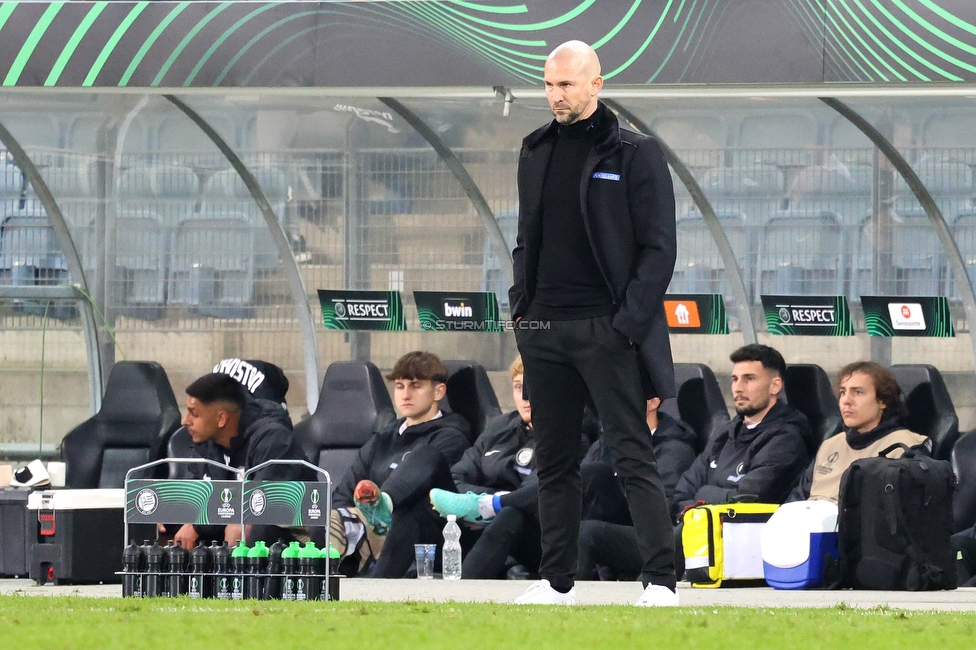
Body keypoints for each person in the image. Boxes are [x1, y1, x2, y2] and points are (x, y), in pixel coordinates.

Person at [509, 40, 679, 606]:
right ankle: (556, 582)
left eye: (566, 85)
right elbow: (525, 241)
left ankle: (661, 580)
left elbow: (659, 251)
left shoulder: (635, 152)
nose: (555, 95)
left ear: (596, 85)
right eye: (549, 84)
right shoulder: (534, 150)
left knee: (630, 454)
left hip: (607, 330)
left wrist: (624, 325)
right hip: (544, 330)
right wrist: (521, 308)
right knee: (555, 464)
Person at [577, 344, 811, 581]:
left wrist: (703, 495)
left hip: (734, 542)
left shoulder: (787, 438)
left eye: (749, 379)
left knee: (654, 556)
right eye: (734, 379)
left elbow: (749, 497)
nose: (738, 388)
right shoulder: (726, 433)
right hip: (688, 530)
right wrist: (704, 501)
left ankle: (650, 593)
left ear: (775, 386)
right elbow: (681, 493)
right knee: (587, 533)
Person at [329, 351, 470, 578]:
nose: (406, 395)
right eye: (399, 386)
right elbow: (344, 493)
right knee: (311, 518)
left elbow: (433, 499)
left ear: (438, 391)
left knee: (422, 468)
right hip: (369, 534)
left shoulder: (451, 436)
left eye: (415, 386)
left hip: (428, 536)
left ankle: (382, 507)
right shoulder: (383, 436)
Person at [429, 355, 550, 579]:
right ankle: (374, 588)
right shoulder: (499, 427)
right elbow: (457, 477)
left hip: (539, 537)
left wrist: (494, 505)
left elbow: (540, 493)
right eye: (518, 387)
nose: (525, 397)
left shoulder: (570, 433)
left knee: (512, 514)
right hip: (484, 525)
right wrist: (480, 505)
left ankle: (462, 596)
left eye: (533, 386)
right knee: (423, 509)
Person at [167, 373, 314, 548]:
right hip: (227, 530)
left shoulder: (273, 439)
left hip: (291, 540)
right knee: (166, 522)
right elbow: (194, 497)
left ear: (221, 419)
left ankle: (237, 575)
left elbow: (262, 505)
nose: (185, 421)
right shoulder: (206, 441)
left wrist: (199, 525)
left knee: (243, 528)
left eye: (194, 414)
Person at [789, 361, 929, 503]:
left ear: (882, 400)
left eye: (857, 392)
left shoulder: (906, 448)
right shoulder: (830, 444)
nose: (846, 401)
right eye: (843, 392)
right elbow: (795, 501)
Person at [581, 397, 698, 528]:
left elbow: (660, 510)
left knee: (597, 476)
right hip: (590, 530)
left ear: (653, 402)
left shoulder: (675, 450)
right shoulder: (603, 444)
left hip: (641, 533)